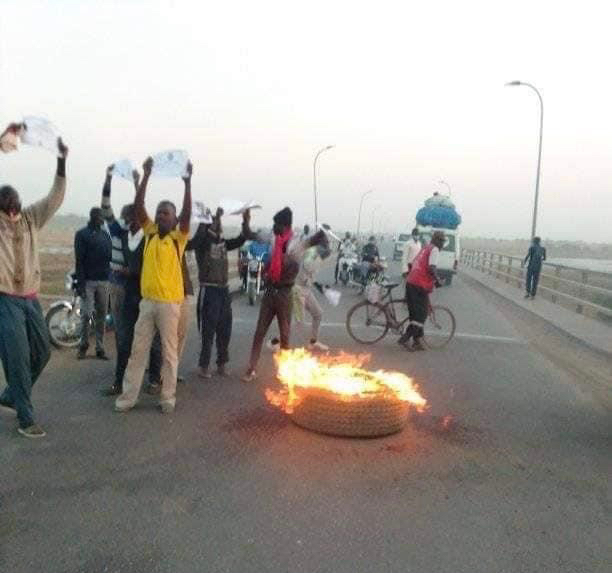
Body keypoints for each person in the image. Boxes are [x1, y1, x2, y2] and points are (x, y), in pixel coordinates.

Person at [0, 130, 68, 438]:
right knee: (17, 357)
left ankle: (12, 394)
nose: (12, 208)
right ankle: (26, 419)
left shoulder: (30, 218)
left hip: (31, 299)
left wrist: (61, 162)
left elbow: (54, 198)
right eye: (6, 204)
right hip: (6, 301)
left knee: (42, 352)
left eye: (15, 202)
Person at [115, 156, 192, 414]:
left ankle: (167, 398)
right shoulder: (149, 233)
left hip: (170, 305)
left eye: (165, 212)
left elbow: (188, 214)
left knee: (170, 355)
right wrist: (146, 175)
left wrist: (188, 183)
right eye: (158, 211)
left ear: (174, 218)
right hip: (147, 303)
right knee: (138, 352)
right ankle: (128, 398)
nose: (160, 215)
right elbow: (139, 206)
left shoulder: (178, 238)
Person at [242, 207, 327, 382]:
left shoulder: (297, 242)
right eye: (274, 224)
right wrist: (246, 220)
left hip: (286, 293)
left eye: (277, 225)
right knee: (259, 332)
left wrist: (321, 235)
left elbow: (316, 242)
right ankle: (251, 369)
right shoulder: (271, 236)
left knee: (285, 336)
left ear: (286, 226)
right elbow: (249, 234)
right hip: (270, 291)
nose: (274, 227)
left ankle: (286, 373)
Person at [186, 206, 254, 379]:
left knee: (225, 329)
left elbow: (242, 238)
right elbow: (197, 238)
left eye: (219, 222)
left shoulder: (223, 243)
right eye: (215, 222)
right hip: (208, 290)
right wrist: (210, 218)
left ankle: (222, 364)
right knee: (208, 331)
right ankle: (204, 366)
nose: (218, 224)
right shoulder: (202, 243)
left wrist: (245, 220)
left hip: (224, 291)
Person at [100, 164, 140, 373]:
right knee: (124, 332)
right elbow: (105, 206)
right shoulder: (118, 230)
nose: (127, 220)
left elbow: (139, 206)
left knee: (132, 332)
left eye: (130, 217)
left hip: (130, 286)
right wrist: (108, 179)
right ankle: (124, 372)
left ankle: (128, 372)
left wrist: (135, 183)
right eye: (127, 216)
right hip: (120, 286)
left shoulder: (136, 234)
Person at [74, 206, 112, 359]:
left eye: (103, 218)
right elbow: (79, 261)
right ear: (93, 217)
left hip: (104, 281)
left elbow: (110, 256)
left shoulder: (105, 235)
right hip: (88, 282)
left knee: (102, 315)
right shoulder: (81, 234)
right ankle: (83, 346)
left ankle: (100, 348)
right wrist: (81, 285)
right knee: (86, 315)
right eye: (100, 218)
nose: (102, 221)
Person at [398, 230, 445, 351]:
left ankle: (417, 342)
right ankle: (405, 338)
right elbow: (431, 268)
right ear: (437, 241)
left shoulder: (425, 247)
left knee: (415, 314)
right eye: (442, 241)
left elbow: (414, 263)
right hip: (419, 284)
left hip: (411, 282)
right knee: (422, 315)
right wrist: (438, 280)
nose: (442, 244)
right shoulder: (434, 250)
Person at [294, 242, 332, 351]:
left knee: (318, 314)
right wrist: (312, 282)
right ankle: (275, 342)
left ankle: (313, 341)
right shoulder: (309, 260)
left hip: (306, 290)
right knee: (299, 322)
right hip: (297, 291)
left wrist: (321, 287)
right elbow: (305, 277)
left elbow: (311, 278)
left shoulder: (314, 260)